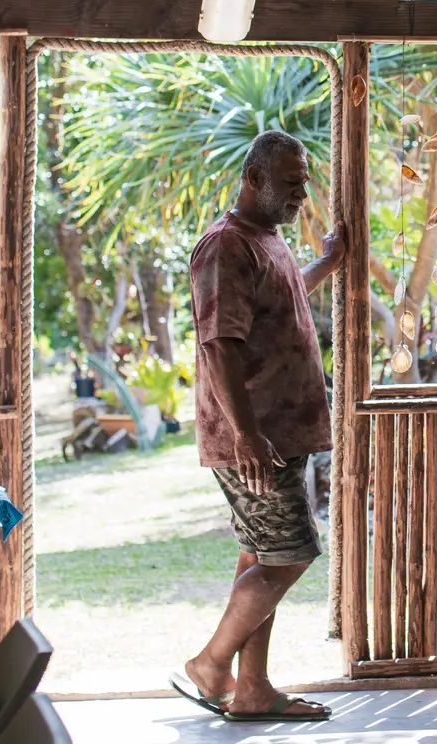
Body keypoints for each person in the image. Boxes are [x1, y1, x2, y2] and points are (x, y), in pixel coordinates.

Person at [172, 130, 346, 723]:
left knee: (262, 554)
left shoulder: (266, 242)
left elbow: (284, 300)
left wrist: (328, 261)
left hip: (276, 435)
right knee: (292, 553)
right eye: (291, 183)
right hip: (253, 440)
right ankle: (211, 664)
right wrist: (245, 434)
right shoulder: (224, 246)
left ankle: (253, 690)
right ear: (254, 179)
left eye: (304, 182)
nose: (302, 193)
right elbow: (218, 345)